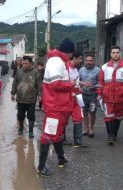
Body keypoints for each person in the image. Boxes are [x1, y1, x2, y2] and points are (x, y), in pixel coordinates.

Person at [37, 38, 76, 177]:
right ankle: (41, 166)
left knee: (57, 133)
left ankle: (61, 157)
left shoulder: (61, 61)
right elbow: (55, 84)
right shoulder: (56, 62)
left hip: (60, 106)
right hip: (54, 107)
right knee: (48, 135)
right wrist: (71, 85)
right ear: (69, 52)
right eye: (72, 53)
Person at [97, 45, 123, 145]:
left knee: (118, 117)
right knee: (108, 116)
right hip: (107, 96)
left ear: (120, 53)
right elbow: (100, 82)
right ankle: (110, 136)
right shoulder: (104, 67)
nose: (115, 54)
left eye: (117, 52)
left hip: (120, 97)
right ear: (110, 54)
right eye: (114, 52)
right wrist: (99, 94)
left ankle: (114, 133)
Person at [11, 56, 42, 138]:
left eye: (26, 63)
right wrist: (12, 93)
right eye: (23, 63)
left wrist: (40, 95)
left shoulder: (35, 72)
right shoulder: (19, 72)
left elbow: (39, 85)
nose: (24, 65)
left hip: (31, 99)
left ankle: (31, 131)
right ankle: (21, 128)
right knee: (20, 115)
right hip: (20, 98)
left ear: (30, 63)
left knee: (31, 115)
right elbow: (14, 83)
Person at [63, 51, 86, 147]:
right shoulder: (65, 68)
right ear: (75, 58)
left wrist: (80, 85)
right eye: (80, 58)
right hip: (68, 98)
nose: (81, 61)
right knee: (64, 119)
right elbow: (63, 84)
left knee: (78, 118)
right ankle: (61, 139)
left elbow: (75, 82)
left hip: (77, 97)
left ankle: (78, 142)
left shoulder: (76, 69)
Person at [79, 54, 100, 137]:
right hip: (83, 94)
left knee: (92, 112)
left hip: (93, 95)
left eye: (90, 61)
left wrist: (94, 86)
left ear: (93, 61)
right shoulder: (81, 70)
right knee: (84, 112)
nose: (88, 62)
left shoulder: (98, 70)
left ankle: (91, 129)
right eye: (87, 60)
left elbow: (101, 82)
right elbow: (78, 81)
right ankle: (86, 129)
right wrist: (82, 84)